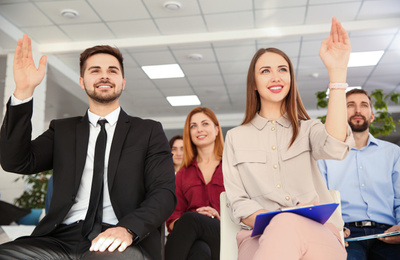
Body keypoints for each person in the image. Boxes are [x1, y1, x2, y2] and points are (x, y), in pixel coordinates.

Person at [0, 34, 176, 260]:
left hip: (117, 235)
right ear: (82, 82)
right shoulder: (62, 130)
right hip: (59, 238)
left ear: (123, 81)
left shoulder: (148, 131)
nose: (104, 75)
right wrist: (23, 92)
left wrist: (128, 229)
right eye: (95, 70)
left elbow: (163, 193)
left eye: (113, 70)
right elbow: (15, 161)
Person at [222, 17, 355, 260]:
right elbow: (238, 201)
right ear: (253, 82)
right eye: (265, 71)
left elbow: (336, 147)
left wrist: (337, 73)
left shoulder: (308, 129)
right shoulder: (235, 138)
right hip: (257, 238)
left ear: (291, 78)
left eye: (282, 69)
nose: (276, 77)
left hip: (317, 235)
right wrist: (279, 220)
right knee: (283, 225)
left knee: (286, 225)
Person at [318, 88, 400, 260]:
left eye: (364, 105)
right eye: (350, 105)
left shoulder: (393, 153)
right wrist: (334, 229)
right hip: (347, 235)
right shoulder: (325, 156)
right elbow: (321, 201)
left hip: (389, 233)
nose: (357, 110)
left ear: (372, 115)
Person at [165, 107, 225, 260]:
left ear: (216, 129)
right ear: (189, 133)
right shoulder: (183, 174)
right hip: (194, 238)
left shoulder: (232, 167)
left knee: (191, 218)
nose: (199, 130)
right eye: (193, 126)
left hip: (225, 234)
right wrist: (193, 221)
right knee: (199, 250)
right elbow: (172, 219)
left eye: (205, 124)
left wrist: (218, 216)